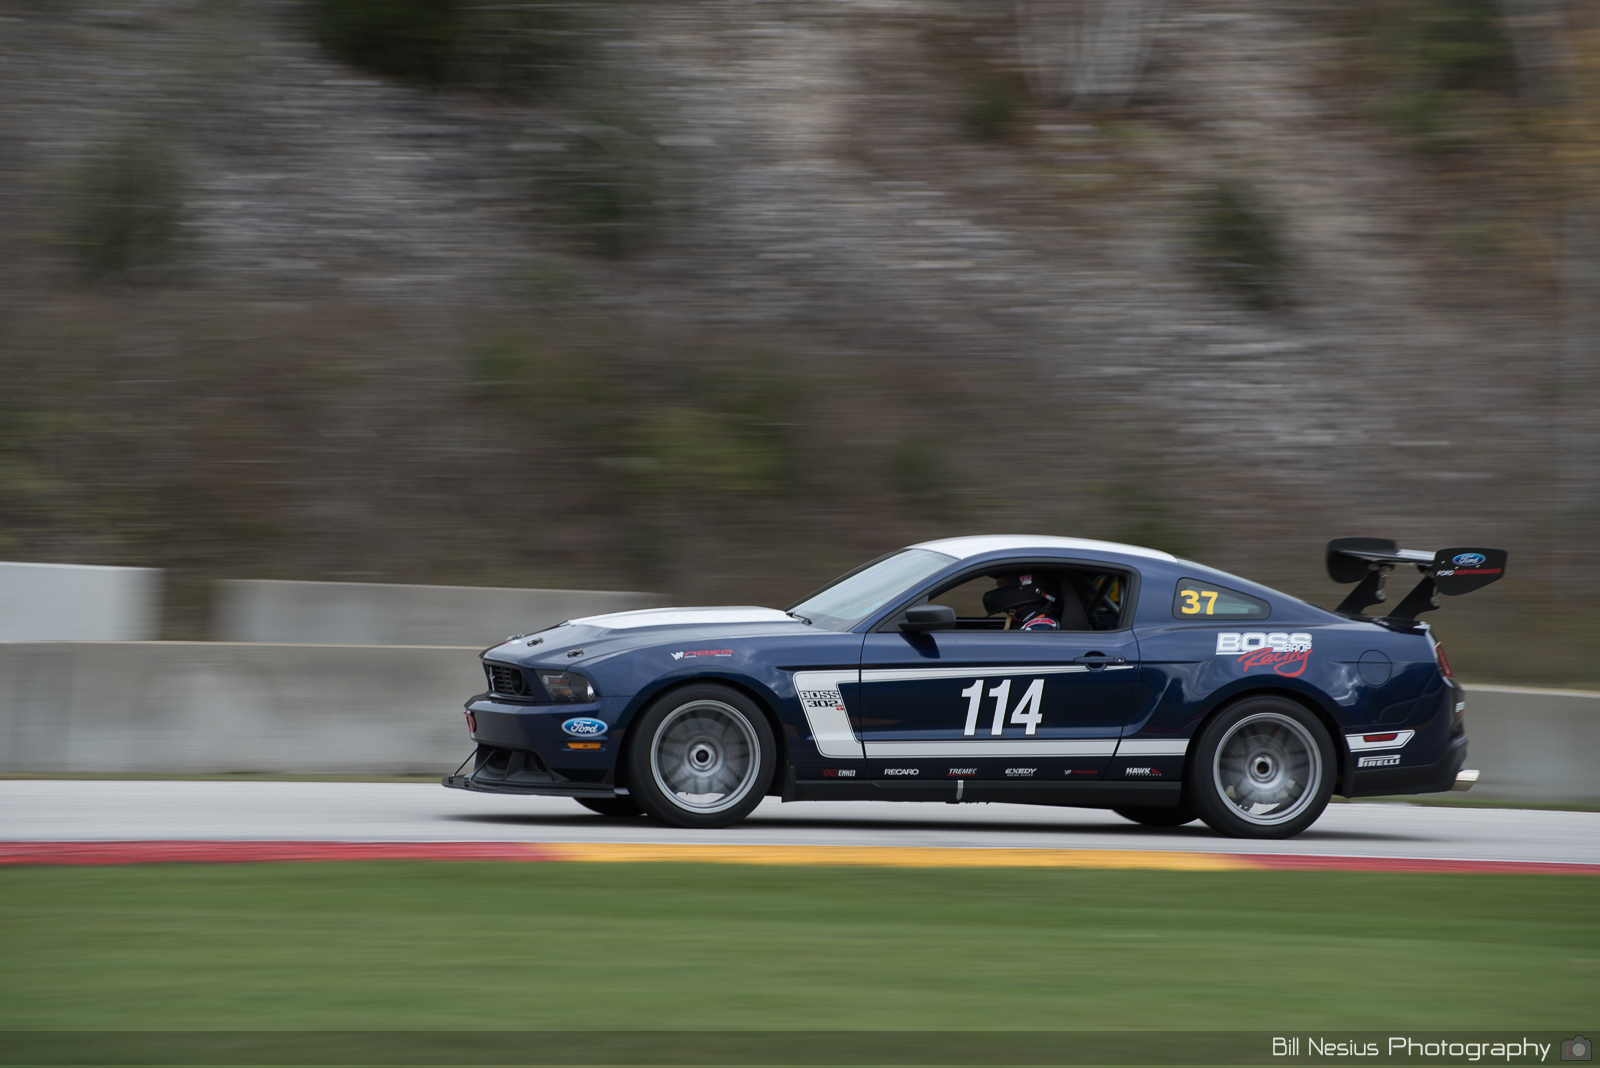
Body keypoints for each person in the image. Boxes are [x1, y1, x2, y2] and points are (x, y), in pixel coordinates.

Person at [981, 572, 1060, 631]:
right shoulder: (1023, 619)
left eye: (1001, 585)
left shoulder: (1039, 627)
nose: (998, 590)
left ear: (1024, 590)